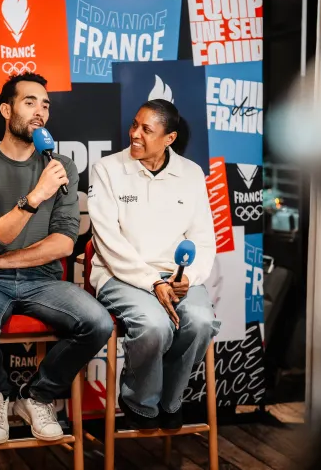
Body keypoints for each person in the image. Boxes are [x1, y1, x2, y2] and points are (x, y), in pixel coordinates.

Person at [0, 72, 113, 444]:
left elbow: (62, 244)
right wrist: (35, 196)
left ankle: (37, 397)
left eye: (45, 104)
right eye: (30, 102)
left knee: (98, 322)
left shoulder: (62, 168)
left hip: (42, 279)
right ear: (6, 110)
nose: (40, 111)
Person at [87, 99, 220, 430]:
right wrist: (152, 282)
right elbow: (107, 242)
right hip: (122, 275)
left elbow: (204, 239)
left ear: (169, 138)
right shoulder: (106, 170)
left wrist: (187, 277)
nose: (135, 134)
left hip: (174, 276)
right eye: (134, 125)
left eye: (146, 130)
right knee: (154, 325)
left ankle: (170, 400)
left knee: (201, 321)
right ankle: (138, 399)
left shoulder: (191, 174)